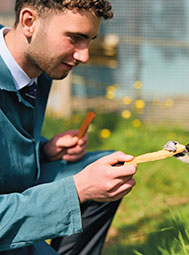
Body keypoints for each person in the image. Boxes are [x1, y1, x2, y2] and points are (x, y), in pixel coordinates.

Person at [0, 1, 138, 254]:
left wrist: (44, 150)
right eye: (75, 38)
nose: (83, 55)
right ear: (29, 22)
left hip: (14, 194)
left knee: (112, 168)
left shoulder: (38, 65)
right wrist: (78, 190)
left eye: (90, 40)